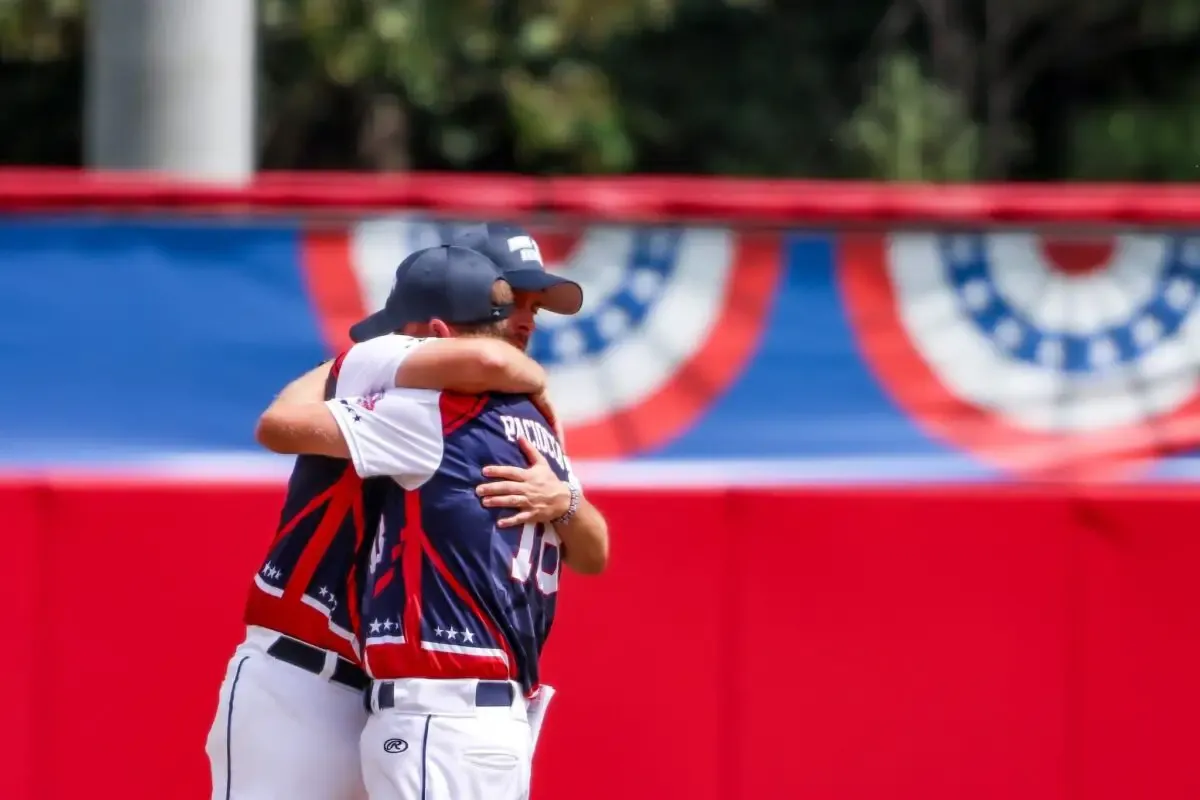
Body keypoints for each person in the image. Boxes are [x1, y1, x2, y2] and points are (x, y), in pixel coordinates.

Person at [256, 245, 610, 800]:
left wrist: (368, 360)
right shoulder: (531, 418)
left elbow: (276, 425)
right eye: (513, 303)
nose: (524, 322)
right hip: (493, 716)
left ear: (433, 334)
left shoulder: (436, 412)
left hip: (440, 713)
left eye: (532, 310)